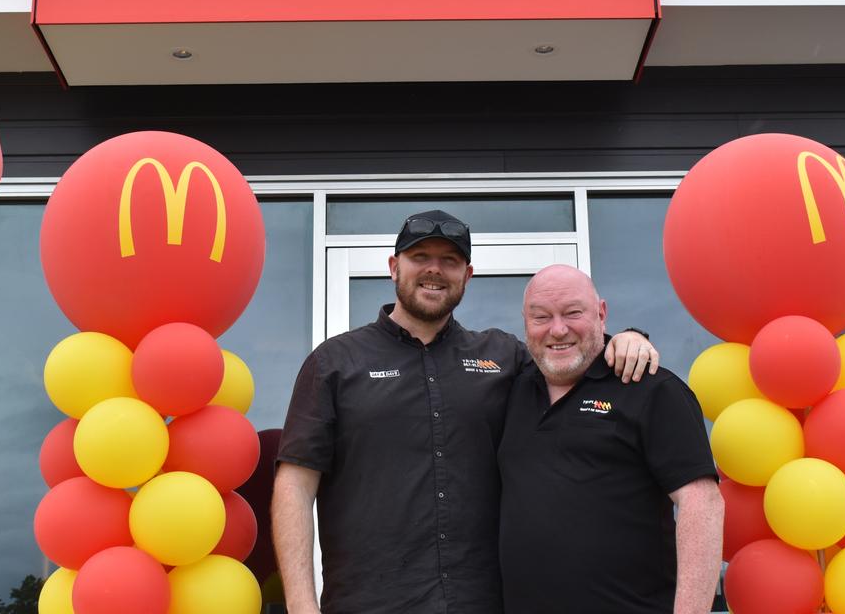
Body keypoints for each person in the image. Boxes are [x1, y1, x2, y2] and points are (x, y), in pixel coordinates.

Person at [273, 210, 658, 614]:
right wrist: (301, 604)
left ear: (467, 275)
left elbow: (566, 360)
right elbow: (295, 487)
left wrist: (625, 339)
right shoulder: (335, 362)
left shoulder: (503, 356)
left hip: (485, 602)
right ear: (393, 266)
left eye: (450, 261)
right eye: (420, 257)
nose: (434, 270)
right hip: (370, 604)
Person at [498, 264, 723, 614]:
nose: (558, 330)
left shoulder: (651, 389)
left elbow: (701, 503)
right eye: (541, 317)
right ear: (526, 324)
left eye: (573, 313)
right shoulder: (511, 391)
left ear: (601, 314)